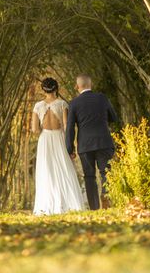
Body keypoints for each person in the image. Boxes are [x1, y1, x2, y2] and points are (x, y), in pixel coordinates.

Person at [32, 77, 85, 215]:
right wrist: (70, 145)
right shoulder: (62, 104)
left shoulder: (38, 106)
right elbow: (67, 126)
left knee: (46, 170)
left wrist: (43, 129)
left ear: (43, 90)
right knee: (64, 168)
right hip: (59, 138)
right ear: (56, 88)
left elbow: (35, 129)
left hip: (45, 140)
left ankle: (48, 205)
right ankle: (68, 203)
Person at [66, 74, 118, 210]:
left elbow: (70, 128)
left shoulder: (74, 103)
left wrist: (69, 148)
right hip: (103, 141)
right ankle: (106, 197)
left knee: (89, 176)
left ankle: (94, 207)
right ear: (91, 84)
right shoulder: (102, 98)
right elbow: (114, 117)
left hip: (85, 145)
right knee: (106, 172)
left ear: (77, 87)